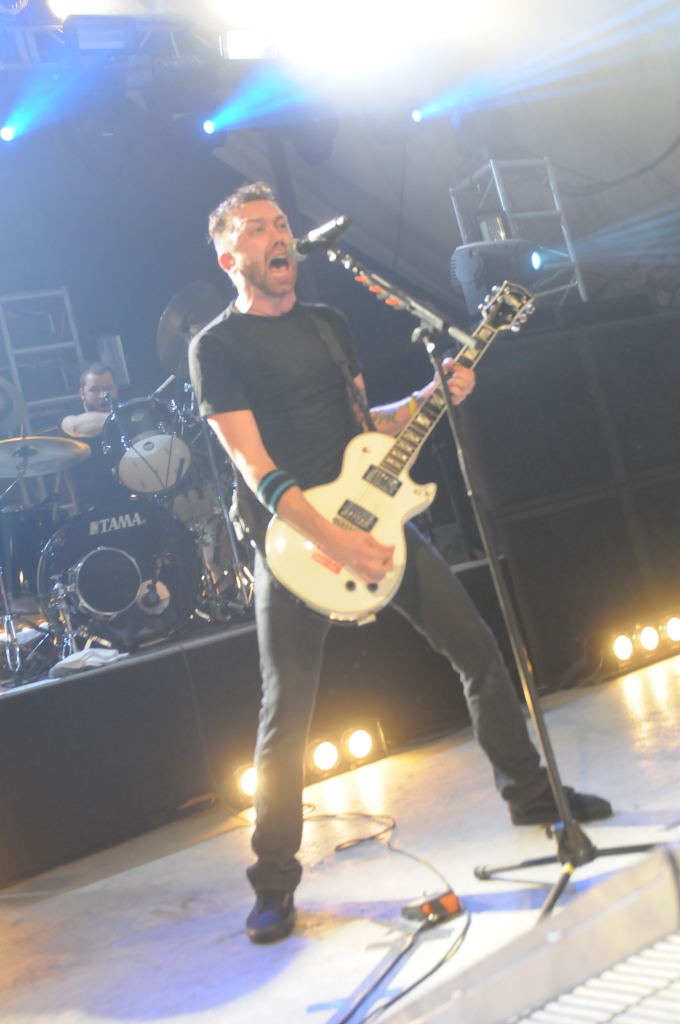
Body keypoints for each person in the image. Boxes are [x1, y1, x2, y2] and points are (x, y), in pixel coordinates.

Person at [188, 182, 612, 945]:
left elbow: (367, 426)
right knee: (286, 715)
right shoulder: (216, 348)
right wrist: (334, 540)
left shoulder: (328, 324)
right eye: (254, 229)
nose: (276, 235)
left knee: (478, 648)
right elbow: (255, 467)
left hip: (376, 517)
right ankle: (274, 882)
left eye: (280, 223)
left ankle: (529, 795)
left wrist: (430, 394)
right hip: (296, 545)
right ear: (228, 257)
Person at [61, 362, 123, 510]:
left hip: (135, 497)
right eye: (95, 390)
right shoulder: (70, 416)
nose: (103, 395)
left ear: (116, 389)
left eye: (108, 388)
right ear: (82, 393)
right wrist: (124, 417)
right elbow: (75, 426)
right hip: (92, 509)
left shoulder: (126, 411)